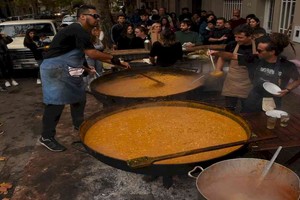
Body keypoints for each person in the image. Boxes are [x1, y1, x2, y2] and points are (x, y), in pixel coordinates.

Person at [39, 5, 130, 152]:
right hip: (55, 69)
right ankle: (46, 137)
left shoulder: (81, 31)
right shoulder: (78, 29)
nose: (97, 19)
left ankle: (79, 126)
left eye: (97, 16)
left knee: (79, 98)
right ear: (82, 16)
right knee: (56, 103)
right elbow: (93, 53)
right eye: (94, 16)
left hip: (69, 68)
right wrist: (117, 61)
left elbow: (78, 53)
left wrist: (86, 68)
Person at [210, 33, 300, 112]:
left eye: (260, 51)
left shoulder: (287, 65)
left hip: (273, 100)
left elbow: (298, 80)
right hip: (254, 96)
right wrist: (216, 53)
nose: (257, 52)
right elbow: (233, 56)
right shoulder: (254, 59)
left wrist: (288, 89)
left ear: (272, 52)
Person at [211, 25, 256, 111]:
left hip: (249, 82)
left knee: (248, 109)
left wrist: (218, 53)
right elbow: (223, 57)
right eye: (235, 36)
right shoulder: (232, 45)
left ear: (250, 36)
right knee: (229, 109)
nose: (236, 39)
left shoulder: (257, 46)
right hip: (232, 81)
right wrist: (218, 69)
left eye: (240, 37)